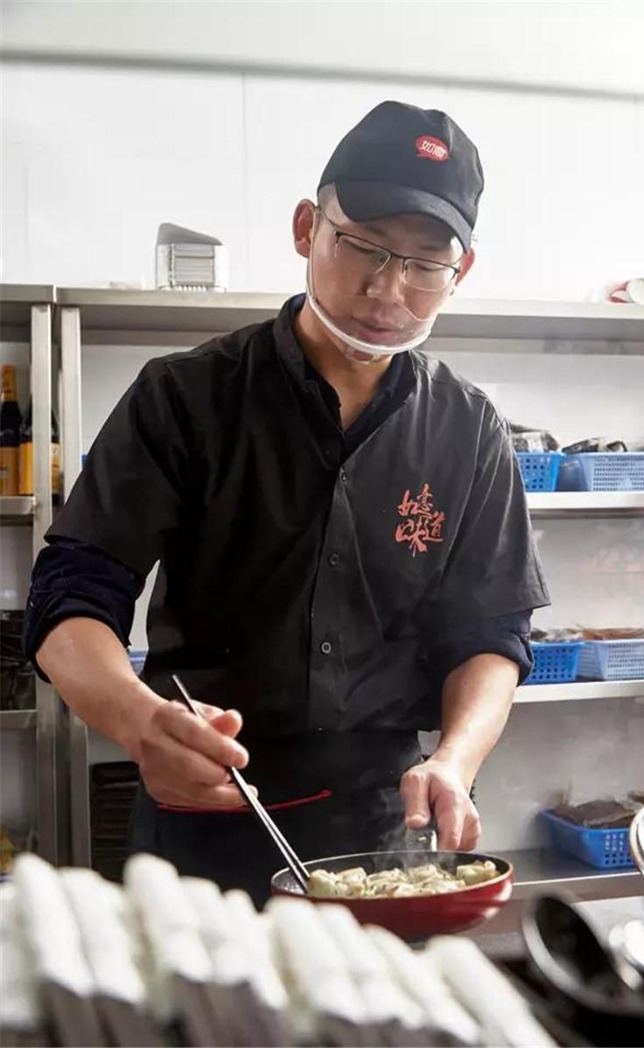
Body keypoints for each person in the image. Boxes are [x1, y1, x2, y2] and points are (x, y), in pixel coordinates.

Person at [24, 101, 549, 905]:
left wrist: (455, 759)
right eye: (364, 246)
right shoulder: (186, 396)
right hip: (206, 800)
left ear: (462, 271)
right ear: (308, 228)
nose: (388, 287)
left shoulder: (469, 429)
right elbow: (70, 596)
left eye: (424, 264)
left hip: (384, 821)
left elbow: (493, 631)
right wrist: (139, 723)